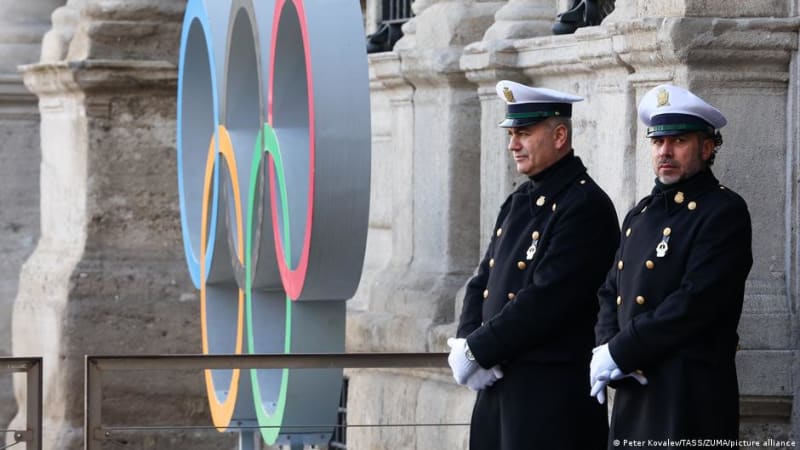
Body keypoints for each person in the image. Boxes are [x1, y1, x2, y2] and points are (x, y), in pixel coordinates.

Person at [447, 80, 619, 450]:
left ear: (560, 135)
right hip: (497, 392)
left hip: (549, 402)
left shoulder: (585, 206)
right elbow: (483, 280)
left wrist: (479, 350)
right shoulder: (519, 199)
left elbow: (546, 299)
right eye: (511, 133)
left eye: (523, 133)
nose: (512, 143)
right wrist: (466, 342)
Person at [590, 84, 753, 448]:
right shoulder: (640, 214)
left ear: (707, 147)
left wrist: (621, 350)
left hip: (689, 398)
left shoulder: (723, 212)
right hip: (634, 388)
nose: (664, 151)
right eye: (657, 141)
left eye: (678, 141)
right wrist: (605, 348)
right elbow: (610, 290)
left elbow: (695, 303)